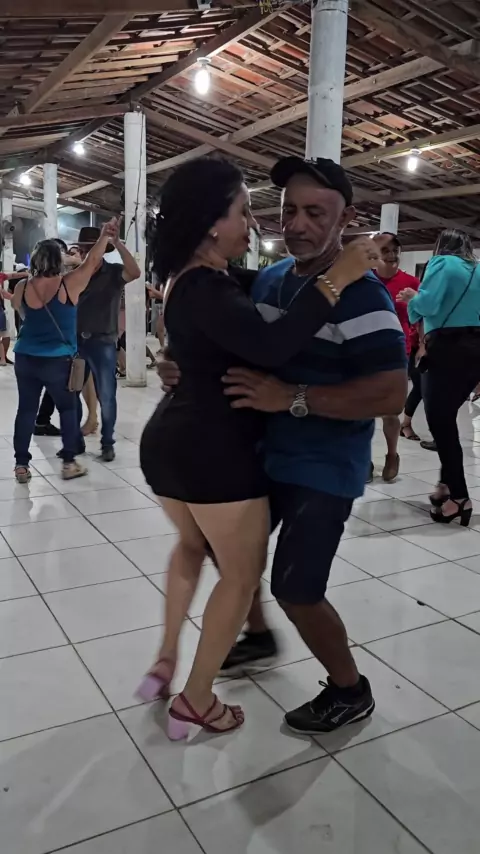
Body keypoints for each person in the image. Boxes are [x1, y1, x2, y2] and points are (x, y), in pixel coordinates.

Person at [152, 155, 407, 736]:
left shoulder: (364, 298)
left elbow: (392, 393)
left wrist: (293, 398)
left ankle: (350, 689)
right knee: (230, 555)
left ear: (347, 219)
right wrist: (183, 362)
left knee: (296, 587)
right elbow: (221, 323)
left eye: (316, 212)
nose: (297, 225)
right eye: (290, 210)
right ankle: (259, 634)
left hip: (323, 466)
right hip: (264, 453)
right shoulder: (274, 278)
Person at [10, 221, 118, 483]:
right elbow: (92, 261)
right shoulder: (68, 284)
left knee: (26, 411)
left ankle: (21, 465)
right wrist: (104, 236)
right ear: (58, 260)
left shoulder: (23, 286)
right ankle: (69, 463)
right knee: (68, 409)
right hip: (58, 360)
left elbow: (18, 309)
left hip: (25, 357)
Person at [398, 228, 480, 526]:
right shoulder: (478, 269)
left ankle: (459, 497)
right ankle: (446, 485)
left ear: (441, 245)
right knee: (447, 418)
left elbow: (428, 305)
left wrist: (412, 297)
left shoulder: (441, 263)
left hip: (447, 348)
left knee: (440, 423)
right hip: (475, 350)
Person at [75, 224, 141, 462]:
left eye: (90, 249)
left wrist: (118, 243)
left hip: (103, 341)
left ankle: (107, 443)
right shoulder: (76, 274)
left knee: (107, 395)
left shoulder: (113, 273)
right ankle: (75, 441)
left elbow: (135, 272)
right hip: (75, 342)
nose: (86, 254)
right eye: (83, 250)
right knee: (71, 392)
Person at [370, 233, 421, 481]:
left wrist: (423, 345)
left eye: (395, 250)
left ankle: (392, 455)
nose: (391, 255)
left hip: (398, 352)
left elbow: (423, 315)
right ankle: (364, 459)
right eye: (385, 250)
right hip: (366, 351)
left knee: (390, 410)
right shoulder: (363, 280)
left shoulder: (411, 282)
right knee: (363, 409)